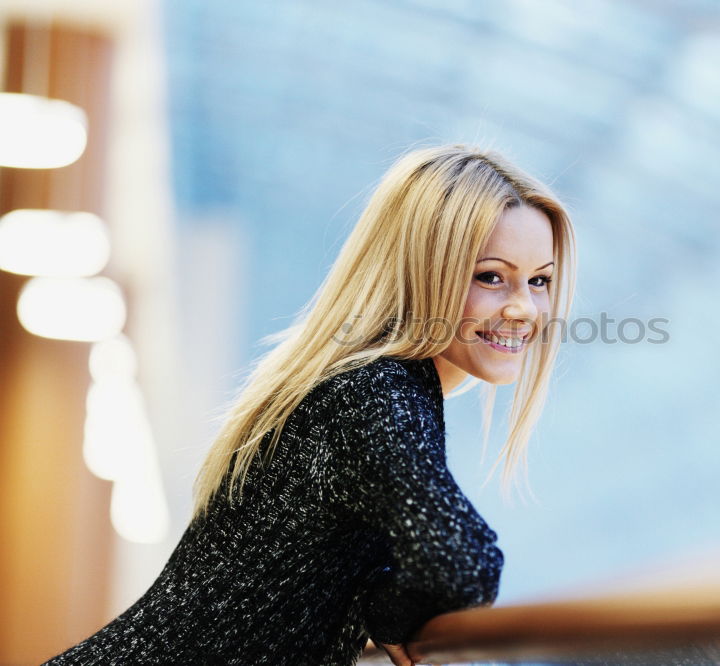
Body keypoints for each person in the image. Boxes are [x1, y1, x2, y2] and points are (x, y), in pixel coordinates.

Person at [43, 144, 577, 666]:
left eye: (540, 281)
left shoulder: (351, 383)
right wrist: (388, 618)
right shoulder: (376, 391)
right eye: (490, 276)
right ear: (420, 270)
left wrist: (375, 602)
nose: (523, 307)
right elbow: (463, 562)